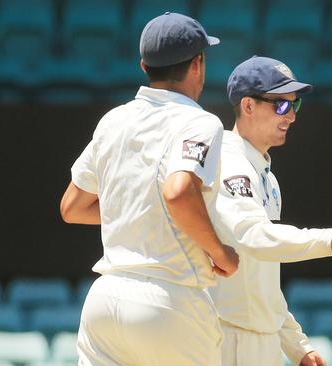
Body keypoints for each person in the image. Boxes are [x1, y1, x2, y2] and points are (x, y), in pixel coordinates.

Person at [59, 12, 239, 365]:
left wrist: (135, 211)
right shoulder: (201, 122)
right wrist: (219, 252)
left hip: (105, 299)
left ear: (144, 66)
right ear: (198, 64)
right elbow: (178, 191)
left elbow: (73, 207)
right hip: (169, 298)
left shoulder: (113, 119)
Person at [206, 56, 332, 366]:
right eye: (281, 105)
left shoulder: (266, 176)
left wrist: (296, 345)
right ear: (247, 106)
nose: (291, 116)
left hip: (256, 340)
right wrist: (330, 241)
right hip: (225, 339)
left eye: (294, 105)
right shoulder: (228, 162)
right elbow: (254, 237)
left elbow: (263, 280)